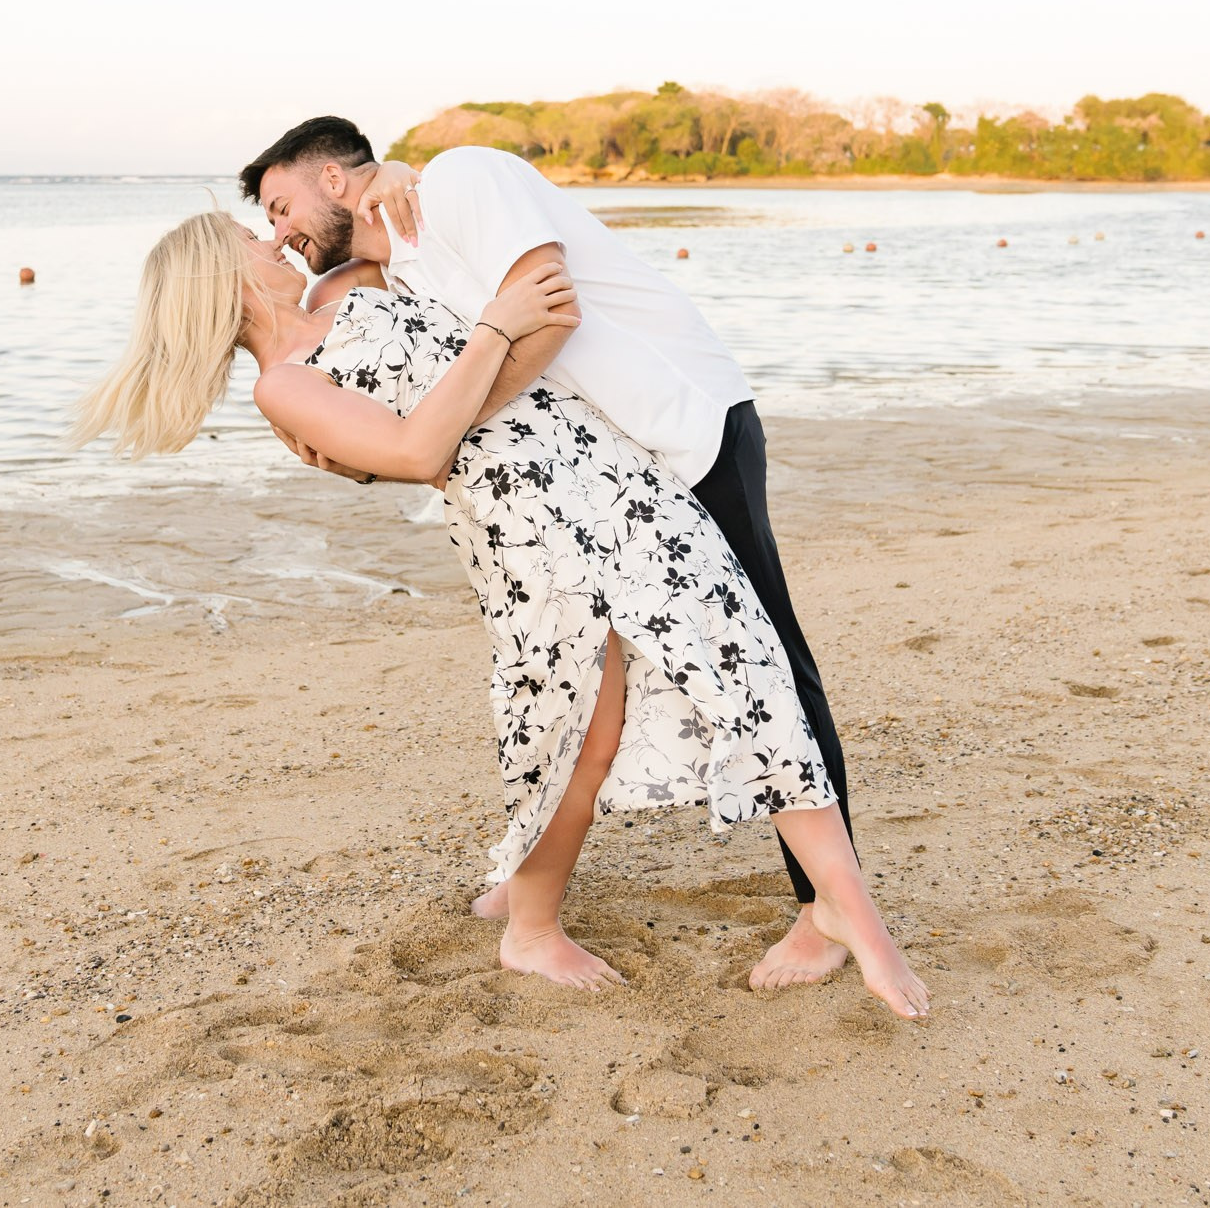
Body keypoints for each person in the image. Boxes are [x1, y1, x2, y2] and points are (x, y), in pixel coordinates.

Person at [70, 209, 927, 1017]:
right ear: (223, 278)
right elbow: (414, 448)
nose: (276, 241)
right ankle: (531, 927)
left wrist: (401, 175)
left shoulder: (346, 288)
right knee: (574, 739)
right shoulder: (284, 387)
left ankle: (848, 915)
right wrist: (497, 326)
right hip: (527, 534)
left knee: (744, 672)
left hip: (616, 479)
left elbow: (402, 234)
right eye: (252, 239)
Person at [240, 117, 863, 989]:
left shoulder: (456, 180)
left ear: (336, 179)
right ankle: (533, 877)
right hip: (607, 480)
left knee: (766, 656)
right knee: (582, 681)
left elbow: (546, 306)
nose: (279, 233)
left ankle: (824, 910)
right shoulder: (394, 258)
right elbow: (390, 384)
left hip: (683, 428)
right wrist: (376, 450)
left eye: (280, 205)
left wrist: (438, 436)